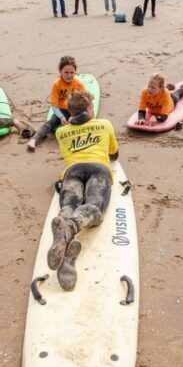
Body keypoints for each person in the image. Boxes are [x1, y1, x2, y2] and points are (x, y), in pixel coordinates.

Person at [49, 91, 119, 291]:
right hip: (99, 170)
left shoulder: (61, 132)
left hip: (72, 172)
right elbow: (114, 154)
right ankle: (71, 227)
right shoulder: (104, 124)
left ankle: (66, 254)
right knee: (93, 209)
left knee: (69, 205)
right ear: (90, 109)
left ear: (71, 111)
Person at [27, 56, 86, 150]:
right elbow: (54, 106)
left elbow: (84, 103)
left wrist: (74, 116)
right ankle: (34, 139)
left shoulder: (79, 84)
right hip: (62, 110)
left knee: (83, 118)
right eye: (66, 72)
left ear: (75, 71)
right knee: (51, 123)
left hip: (75, 110)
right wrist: (61, 116)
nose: (69, 75)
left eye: (72, 72)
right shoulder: (56, 84)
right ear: (60, 71)